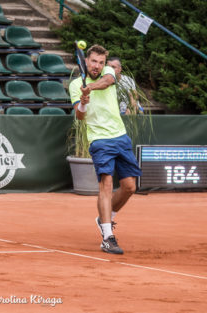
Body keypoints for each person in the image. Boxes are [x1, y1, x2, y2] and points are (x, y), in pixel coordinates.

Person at [69, 44, 142, 255]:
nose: (97, 66)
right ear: (86, 62)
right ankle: (108, 237)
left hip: (120, 136)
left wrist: (90, 88)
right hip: (99, 140)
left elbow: (108, 82)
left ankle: (105, 217)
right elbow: (80, 116)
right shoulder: (75, 84)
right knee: (106, 184)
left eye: (101, 62)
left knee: (129, 187)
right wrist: (83, 102)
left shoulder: (108, 72)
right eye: (93, 61)